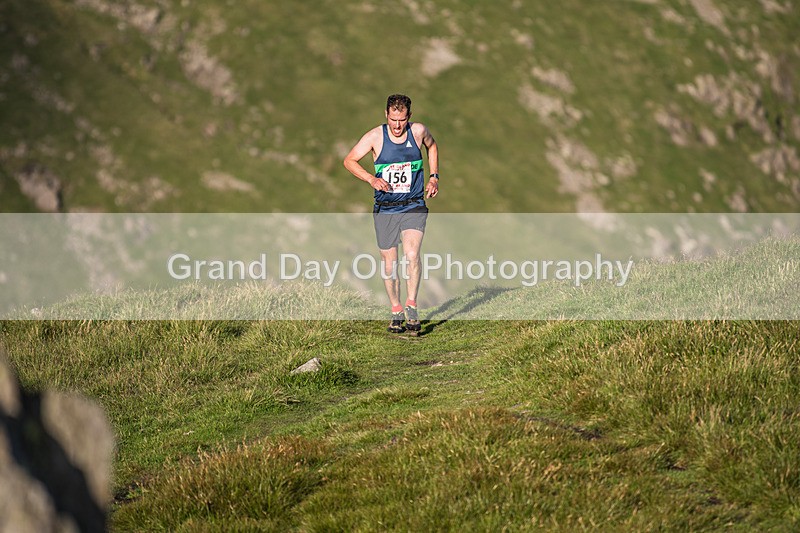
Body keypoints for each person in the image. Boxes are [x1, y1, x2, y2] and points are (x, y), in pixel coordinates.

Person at [343, 94, 439, 333]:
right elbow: (350, 160)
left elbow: (432, 145)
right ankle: (396, 310)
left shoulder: (418, 132)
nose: (398, 126)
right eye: (394, 120)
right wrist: (371, 179)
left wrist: (434, 176)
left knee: (412, 254)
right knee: (390, 263)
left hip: (413, 204)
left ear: (409, 117)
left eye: (402, 120)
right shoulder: (376, 136)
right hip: (385, 208)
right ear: (386, 115)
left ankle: (412, 306)